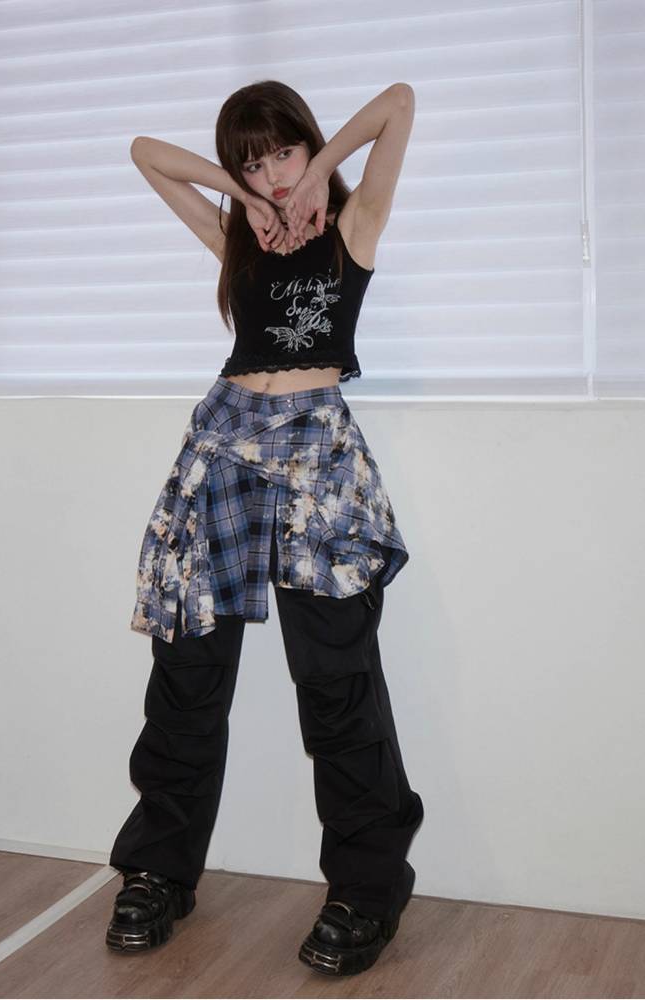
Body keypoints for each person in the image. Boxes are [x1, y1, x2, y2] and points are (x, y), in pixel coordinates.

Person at [105, 80, 424, 978]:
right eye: (255, 163)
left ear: (308, 148)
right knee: (187, 677)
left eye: (284, 152)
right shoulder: (237, 239)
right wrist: (240, 197)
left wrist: (321, 173)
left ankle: (366, 887)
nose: (274, 174)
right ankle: (159, 872)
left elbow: (398, 103)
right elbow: (144, 153)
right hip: (222, 450)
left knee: (336, 682)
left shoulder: (353, 227)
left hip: (317, 461)